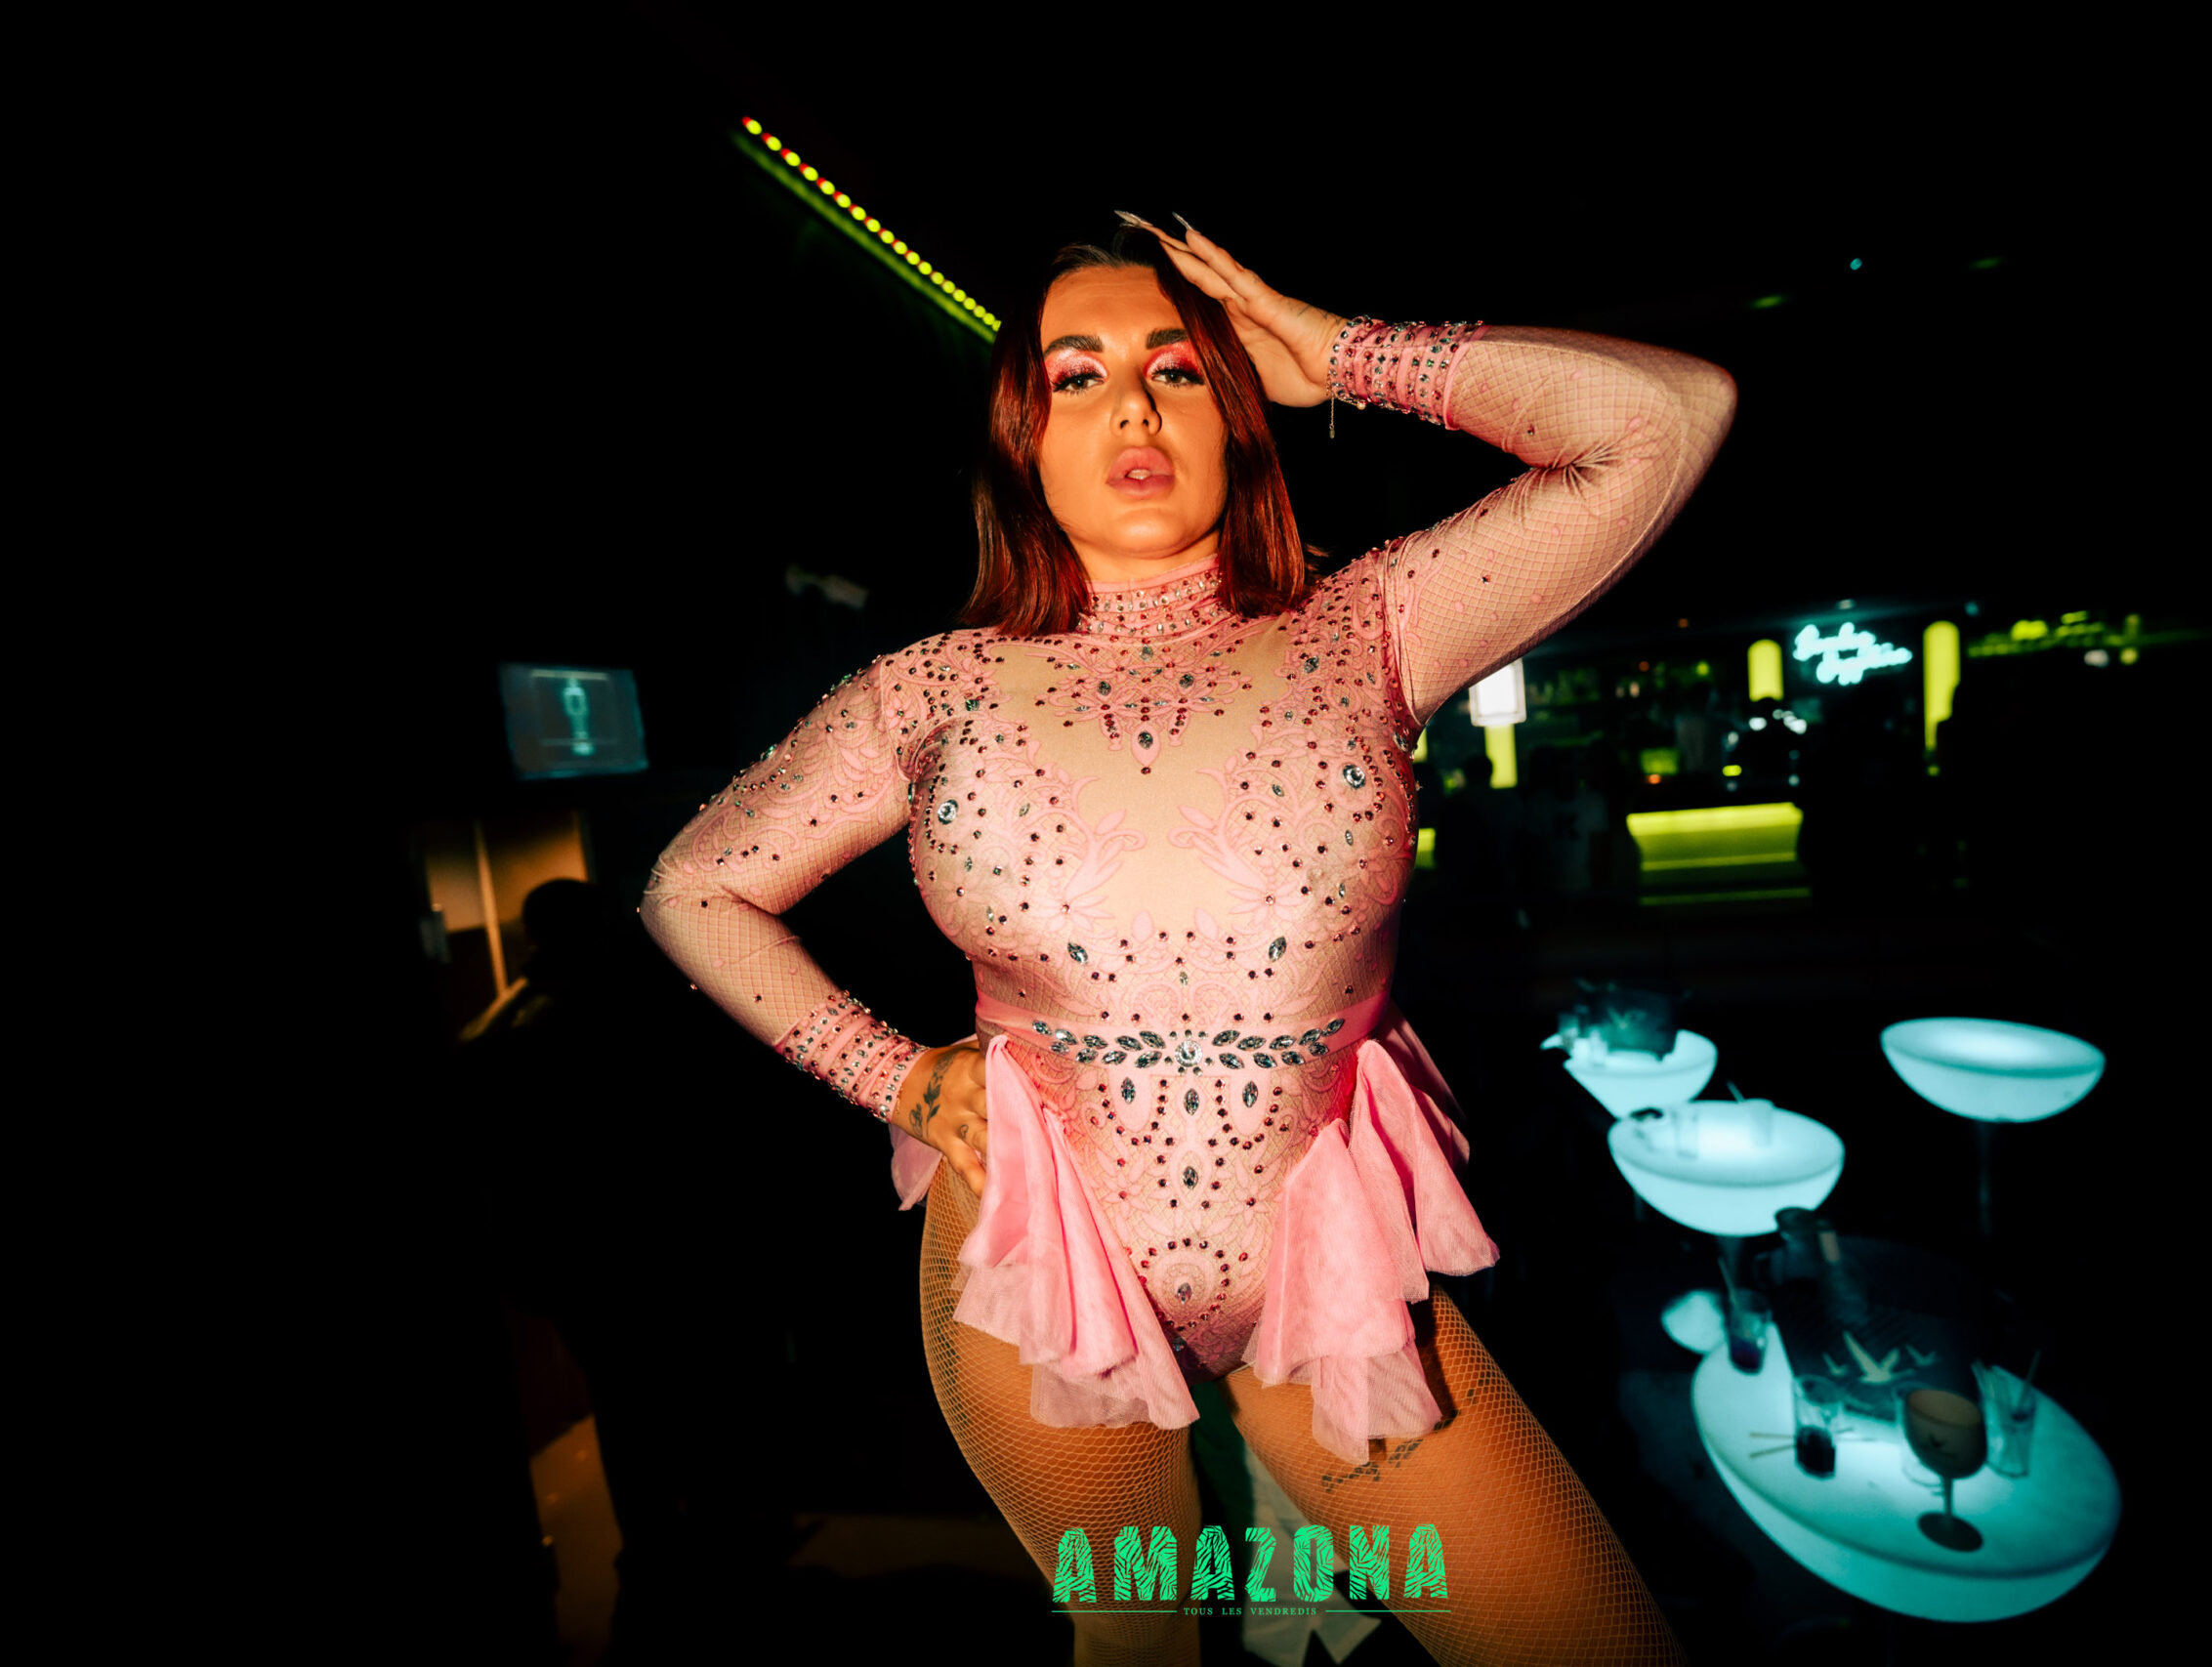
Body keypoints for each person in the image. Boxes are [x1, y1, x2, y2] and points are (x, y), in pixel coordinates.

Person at [643, 218, 1735, 1665]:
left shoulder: (1373, 624)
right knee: (1143, 1647)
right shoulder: (927, 692)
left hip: (1329, 1286)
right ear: (1022, 438)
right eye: (1076, 376)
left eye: (1176, 369)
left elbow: (1666, 421)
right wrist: (890, 1076)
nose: (1135, 409)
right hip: (1040, 1269)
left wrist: (1341, 353)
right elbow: (693, 886)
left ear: (1236, 411)